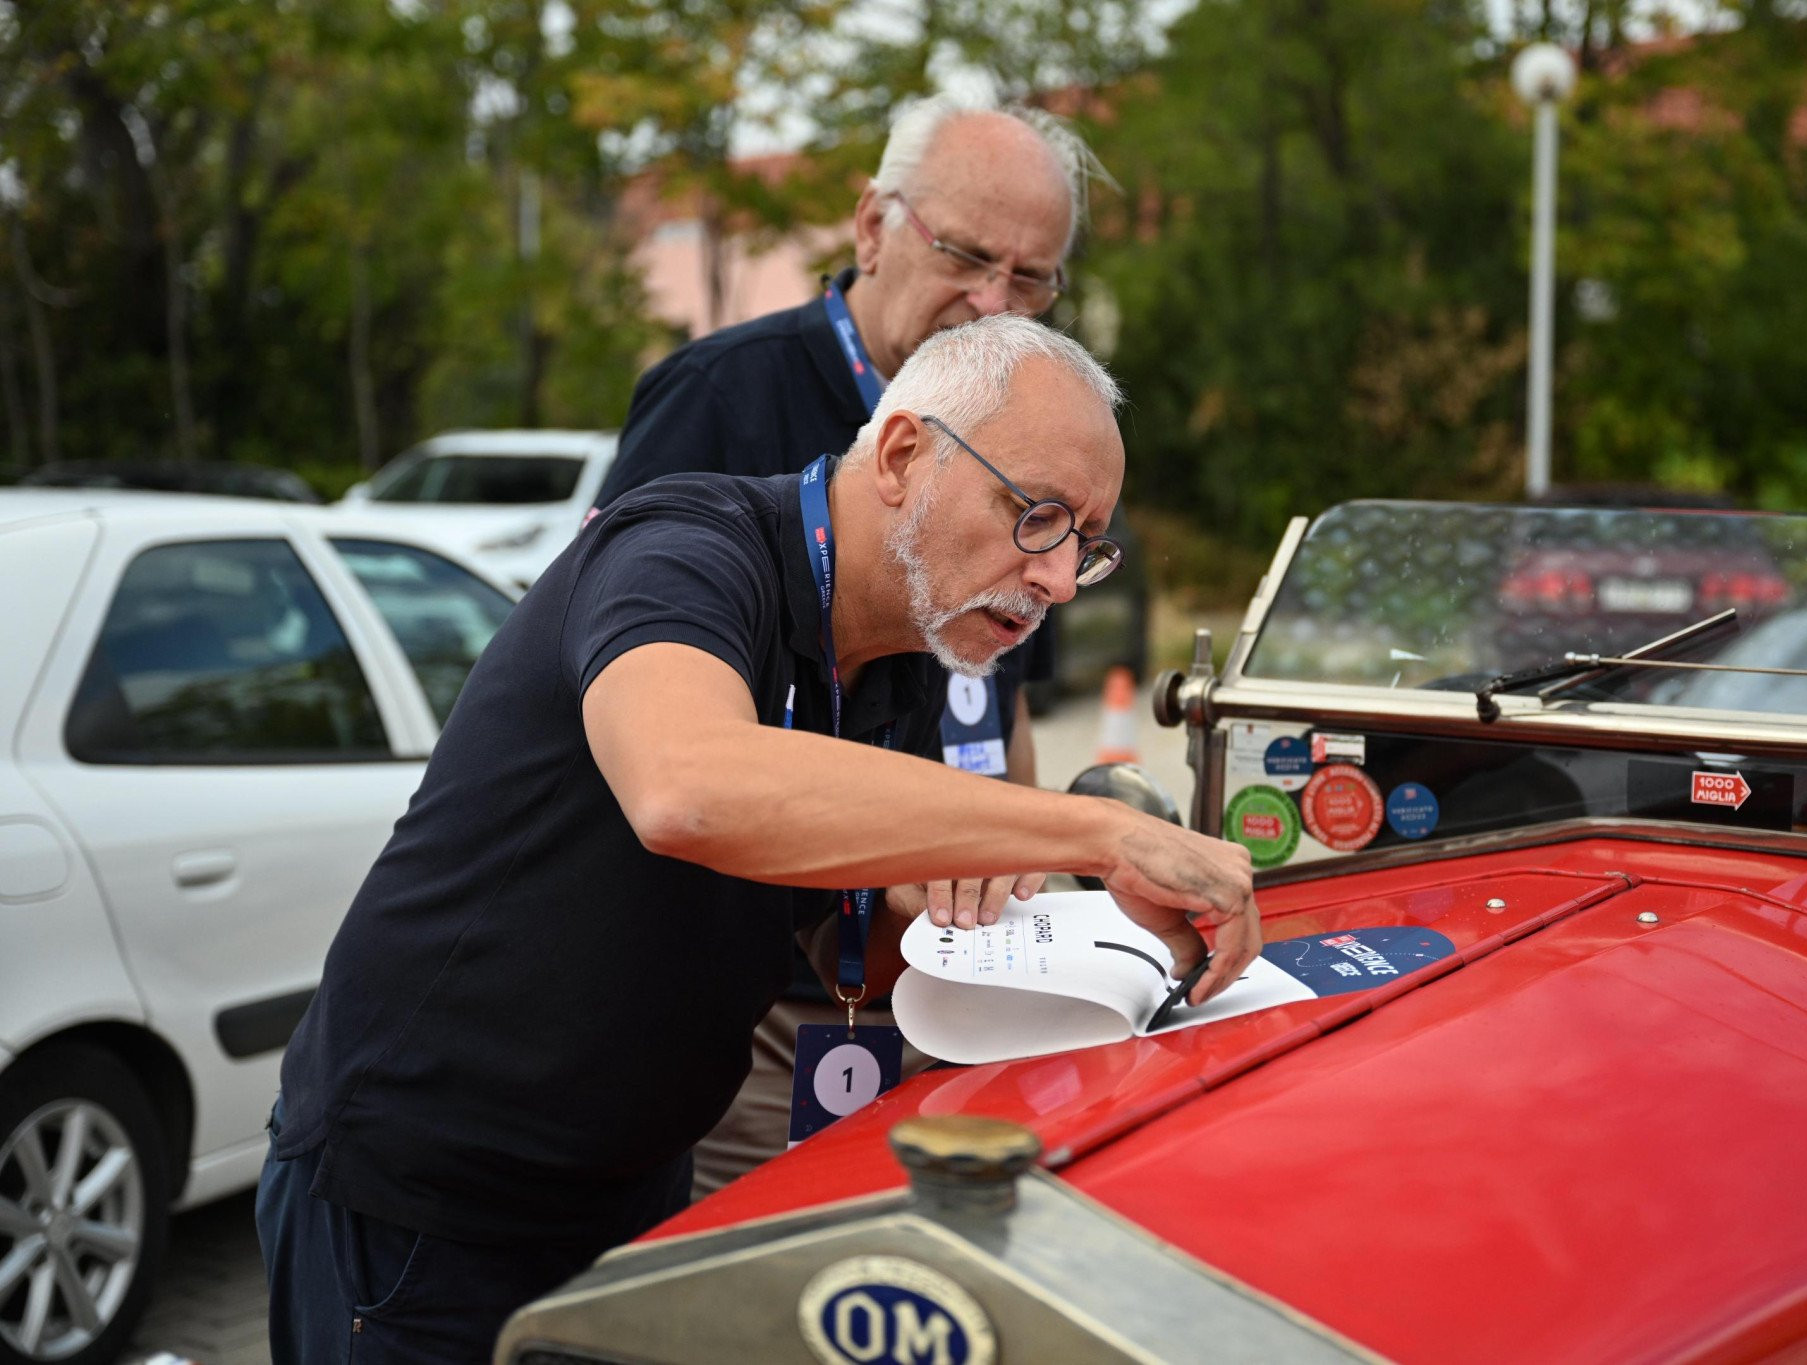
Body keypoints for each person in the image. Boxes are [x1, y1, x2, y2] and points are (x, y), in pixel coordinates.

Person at [256, 316, 1259, 1365]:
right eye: (1037, 517)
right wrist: (1092, 829)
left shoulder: (905, 663)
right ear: (905, 454)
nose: (1056, 581)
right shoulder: (684, 545)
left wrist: (1060, 938)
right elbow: (685, 787)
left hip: (630, 1183)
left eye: (1084, 545)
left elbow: (842, 956)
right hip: (427, 1198)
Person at [596, 95, 1106, 1194]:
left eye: (1031, 279)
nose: (990, 301)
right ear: (870, 227)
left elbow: (996, 695)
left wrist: (1013, 852)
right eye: (966, 255)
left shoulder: (1032, 421)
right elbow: (651, 733)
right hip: (767, 1001)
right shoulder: (718, 401)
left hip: (954, 968)